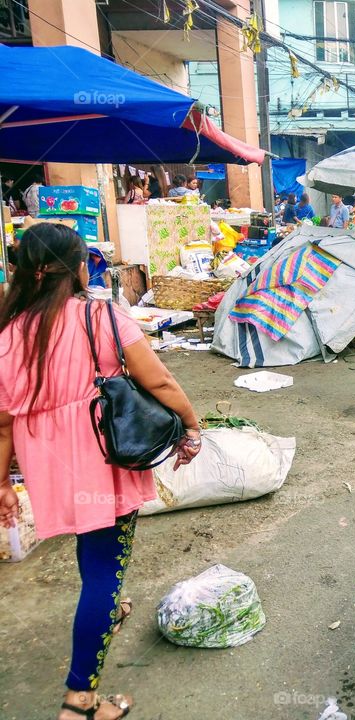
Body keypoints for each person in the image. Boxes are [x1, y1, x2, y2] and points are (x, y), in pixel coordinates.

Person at [0, 224, 201, 720]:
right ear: (78, 268)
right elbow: (159, 379)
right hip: (103, 458)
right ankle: (80, 703)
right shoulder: (101, 315)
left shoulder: (8, 331)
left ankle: (108, 610)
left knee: (93, 553)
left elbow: (3, 423)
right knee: (104, 569)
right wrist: (192, 428)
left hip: (47, 465)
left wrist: (3, 482)